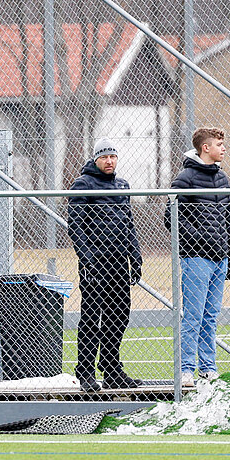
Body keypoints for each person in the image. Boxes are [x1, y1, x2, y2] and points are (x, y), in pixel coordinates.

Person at [65, 139, 144, 391]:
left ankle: (111, 370)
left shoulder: (122, 185)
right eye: (104, 157)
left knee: (119, 315)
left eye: (113, 156)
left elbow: (128, 224)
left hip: (119, 262)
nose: (109, 161)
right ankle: (85, 371)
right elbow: (75, 226)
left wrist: (136, 256)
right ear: (96, 159)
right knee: (91, 318)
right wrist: (87, 259)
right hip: (94, 264)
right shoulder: (83, 184)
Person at [165, 127, 230, 388]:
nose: (224, 148)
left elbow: (228, 219)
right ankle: (186, 369)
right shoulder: (185, 178)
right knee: (193, 316)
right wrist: (201, 239)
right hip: (196, 258)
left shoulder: (223, 178)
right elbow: (170, 217)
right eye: (219, 144)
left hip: (221, 258)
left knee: (210, 316)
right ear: (205, 148)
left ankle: (208, 368)